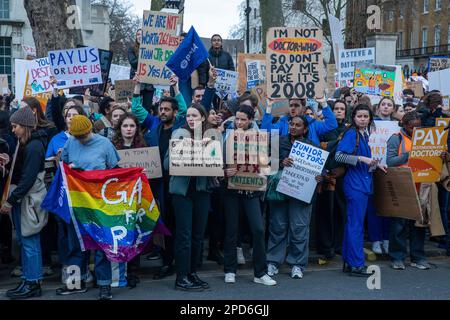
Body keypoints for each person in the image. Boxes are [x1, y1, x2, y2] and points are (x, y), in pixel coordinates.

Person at [57, 115, 120, 300]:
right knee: (75, 245)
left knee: (102, 245)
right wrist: (69, 165)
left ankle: (104, 285)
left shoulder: (105, 144)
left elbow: (115, 169)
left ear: (90, 130)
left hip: (99, 202)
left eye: (83, 135)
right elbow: (64, 164)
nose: (80, 139)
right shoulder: (71, 142)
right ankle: (75, 283)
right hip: (77, 201)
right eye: (77, 136)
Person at [223, 105, 276, 286]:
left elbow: (267, 163)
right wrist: (224, 171)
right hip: (232, 190)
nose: (238, 122)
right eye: (236, 119)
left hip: (252, 191)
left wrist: (264, 172)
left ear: (250, 120)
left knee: (258, 230)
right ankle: (230, 270)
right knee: (231, 230)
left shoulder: (260, 138)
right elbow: (217, 160)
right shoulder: (227, 136)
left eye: (242, 119)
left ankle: (260, 273)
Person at [164, 103, 215, 291]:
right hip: (182, 192)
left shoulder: (211, 136)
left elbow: (215, 164)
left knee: (198, 236)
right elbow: (166, 163)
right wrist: (187, 148)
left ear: (203, 118)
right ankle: (181, 277)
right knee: (184, 235)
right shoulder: (179, 134)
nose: (191, 119)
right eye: (188, 116)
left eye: (195, 115)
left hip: (201, 191)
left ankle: (192, 273)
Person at [1, 106, 47, 299]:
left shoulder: (34, 146)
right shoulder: (25, 142)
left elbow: (27, 178)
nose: (12, 130)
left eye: (15, 126)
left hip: (27, 199)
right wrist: (8, 161)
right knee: (25, 240)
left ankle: (33, 281)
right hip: (24, 198)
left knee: (29, 241)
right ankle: (29, 279)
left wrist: (11, 200)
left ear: (25, 126)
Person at [336, 104, 386, 276]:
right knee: (355, 225)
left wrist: (376, 164)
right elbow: (339, 155)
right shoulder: (352, 134)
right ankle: (356, 264)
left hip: (362, 184)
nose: (363, 119)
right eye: (360, 116)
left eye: (366, 116)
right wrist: (363, 159)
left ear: (370, 119)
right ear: (354, 117)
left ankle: (350, 262)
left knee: (353, 224)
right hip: (355, 185)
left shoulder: (363, 135)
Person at [266, 115, 317, 279]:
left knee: (299, 229)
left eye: (297, 125)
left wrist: (319, 176)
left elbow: (320, 170)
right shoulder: (278, 141)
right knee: (277, 227)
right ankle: (273, 262)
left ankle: (297, 264)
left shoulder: (312, 147)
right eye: (291, 124)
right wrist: (281, 162)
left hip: (301, 194)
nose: (293, 127)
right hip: (280, 192)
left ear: (305, 129)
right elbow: (265, 161)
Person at [386, 111, 431, 270]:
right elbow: (390, 162)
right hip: (402, 187)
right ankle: (397, 258)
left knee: (419, 224)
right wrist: (408, 155)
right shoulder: (395, 138)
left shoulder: (426, 138)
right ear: (404, 125)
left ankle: (418, 257)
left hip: (421, 187)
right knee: (399, 225)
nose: (416, 130)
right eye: (412, 127)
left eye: (418, 127)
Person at [315, 100, 349, 261]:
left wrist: (344, 169)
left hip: (342, 177)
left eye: (342, 109)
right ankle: (325, 245)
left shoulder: (349, 130)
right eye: (336, 109)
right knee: (325, 211)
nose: (339, 111)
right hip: (325, 176)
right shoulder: (323, 129)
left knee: (340, 210)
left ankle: (339, 244)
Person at [369, 97, 397, 254]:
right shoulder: (370, 123)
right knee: (373, 207)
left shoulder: (397, 126)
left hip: (389, 169)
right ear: (378, 108)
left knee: (388, 206)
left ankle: (386, 239)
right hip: (372, 170)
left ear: (393, 109)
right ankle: (375, 240)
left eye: (389, 105)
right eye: (383, 104)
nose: (386, 107)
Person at [261, 97, 338, 146]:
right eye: (291, 106)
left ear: (304, 108)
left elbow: (332, 125)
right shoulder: (283, 123)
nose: (293, 108)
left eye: (296, 105)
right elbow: (266, 131)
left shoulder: (312, 123)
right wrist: (269, 107)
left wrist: (323, 103)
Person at [128, 28, 154, 112]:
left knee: (147, 109)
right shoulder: (131, 49)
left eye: (142, 34)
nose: (139, 36)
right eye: (138, 34)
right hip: (137, 82)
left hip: (149, 84)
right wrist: (144, 54)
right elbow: (133, 63)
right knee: (135, 107)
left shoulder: (151, 49)